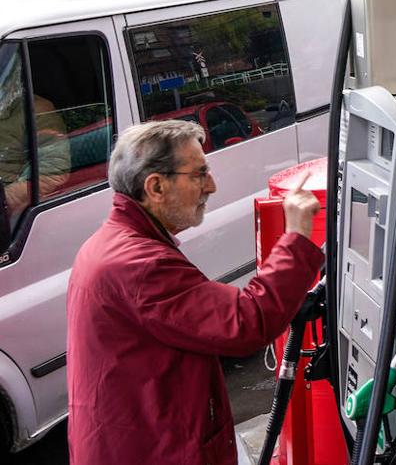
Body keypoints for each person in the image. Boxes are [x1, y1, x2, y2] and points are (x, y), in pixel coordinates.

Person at [66, 120, 324, 465]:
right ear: (156, 186)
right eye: (199, 174)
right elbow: (248, 321)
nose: (212, 186)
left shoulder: (112, 243)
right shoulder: (139, 265)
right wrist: (295, 237)